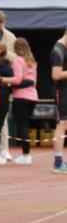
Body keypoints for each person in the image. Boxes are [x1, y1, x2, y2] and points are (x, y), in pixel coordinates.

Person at [9, 38, 38, 165]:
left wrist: (6, 81)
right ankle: (26, 154)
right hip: (33, 97)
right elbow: (33, 81)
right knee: (26, 125)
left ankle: (26, 155)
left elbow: (17, 80)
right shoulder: (31, 61)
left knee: (22, 126)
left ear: (16, 48)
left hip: (20, 97)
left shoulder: (18, 60)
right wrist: (29, 82)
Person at [50, 28, 67, 174]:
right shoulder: (58, 50)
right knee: (62, 124)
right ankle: (57, 162)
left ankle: (60, 161)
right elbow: (56, 74)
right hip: (62, 92)